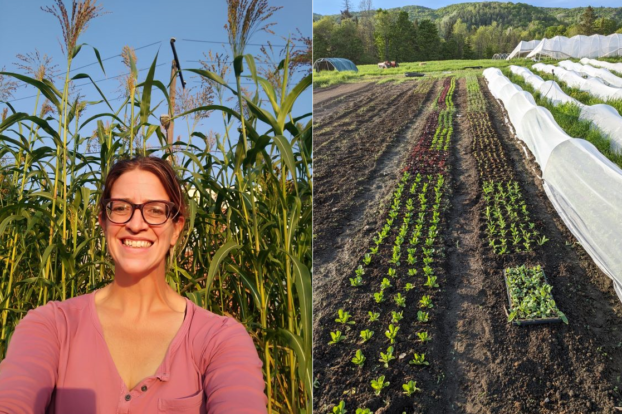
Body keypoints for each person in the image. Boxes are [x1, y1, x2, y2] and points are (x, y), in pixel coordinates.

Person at [0, 156, 267, 413]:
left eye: (154, 210)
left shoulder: (220, 340)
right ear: (103, 222)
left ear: (176, 229)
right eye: (120, 208)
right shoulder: (52, 327)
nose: (135, 224)